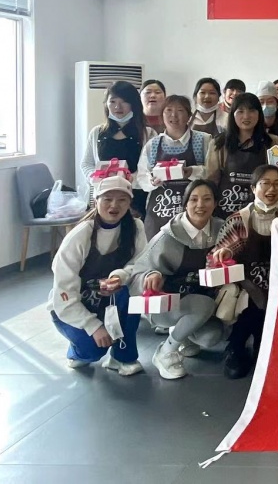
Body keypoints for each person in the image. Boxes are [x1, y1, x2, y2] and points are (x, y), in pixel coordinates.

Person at [49, 176, 147, 376]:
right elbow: (64, 290)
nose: (114, 205)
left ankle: (123, 357)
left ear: (129, 202)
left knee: (132, 291)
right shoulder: (80, 235)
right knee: (93, 350)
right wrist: (93, 326)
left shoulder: (135, 227)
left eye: (122, 200)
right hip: (72, 306)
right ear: (96, 201)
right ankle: (77, 351)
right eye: (107, 199)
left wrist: (120, 276)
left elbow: (140, 263)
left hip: (110, 300)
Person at [132, 179, 226, 380]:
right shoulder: (168, 236)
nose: (200, 205)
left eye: (207, 199)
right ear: (185, 203)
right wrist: (151, 275)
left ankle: (184, 335)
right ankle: (165, 352)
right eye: (194, 199)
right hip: (168, 303)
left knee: (212, 336)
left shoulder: (222, 231)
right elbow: (137, 271)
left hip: (201, 300)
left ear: (215, 203)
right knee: (203, 305)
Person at [210, 165, 278, 379]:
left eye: (277, 184)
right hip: (243, 283)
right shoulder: (238, 219)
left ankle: (263, 347)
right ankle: (236, 347)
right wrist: (226, 252)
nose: (271, 189)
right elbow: (221, 252)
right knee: (254, 301)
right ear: (254, 188)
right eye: (265, 183)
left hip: (276, 281)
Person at [136, 95, 212, 239]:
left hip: (195, 212)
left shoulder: (203, 140)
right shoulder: (152, 144)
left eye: (180, 110)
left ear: (189, 115)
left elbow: (213, 172)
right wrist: (151, 181)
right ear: (162, 115)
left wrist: (192, 172)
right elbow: (141, 177)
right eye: (168, 110)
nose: (174, 115)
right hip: (160, 211)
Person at [79, 80, 155, 215]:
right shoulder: (97, 132)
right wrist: (97, 179)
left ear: (134, 104)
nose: (117, 107)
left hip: (137, 198)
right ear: (106, 104)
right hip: (104, 198)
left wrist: (127, 181)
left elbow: (151, 167)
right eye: (112, 101)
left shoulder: (148, 133)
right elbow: (86, 164)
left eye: (124, 102)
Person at [205, 92, 277, 218]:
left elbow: (276, 180)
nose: (246, 116)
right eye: (240, 111)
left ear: (259, 114)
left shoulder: (271, 142)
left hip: (260, 214)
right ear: (233, 114)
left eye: (251, 110)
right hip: (225, 212)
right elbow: (211, 181)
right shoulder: (219, 143)